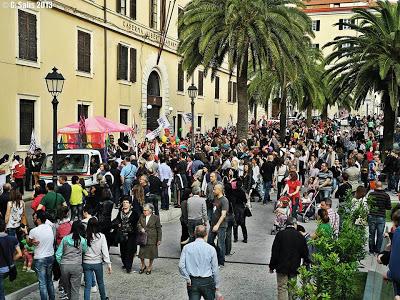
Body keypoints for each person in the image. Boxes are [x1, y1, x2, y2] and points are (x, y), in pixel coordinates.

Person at [269, 217, 310, 300]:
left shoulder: (280, 234)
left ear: (286, 224)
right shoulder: (300, 236)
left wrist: (271, 266)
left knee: (282, 288)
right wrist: (306, 262)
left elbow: (275, 252)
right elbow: (305, 252)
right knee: (292, 288)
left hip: (281, 266)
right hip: (294, 267)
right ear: (295, 225)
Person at [179, 225, 222, 300]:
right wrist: (217, 287)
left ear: (194, 233)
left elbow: (181, 266)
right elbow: (215, 270)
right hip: (207, 281)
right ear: (206, 234)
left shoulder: (186, 247)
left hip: (193, 281)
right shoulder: (211, 249)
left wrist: (187, 278)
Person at [56, 221, 87, 300]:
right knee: (75, 290)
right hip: (76, 266)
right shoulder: (83, 240)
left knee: (68, 289)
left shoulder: (65, 239)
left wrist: (61, 264)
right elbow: (84, 250)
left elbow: (58, 254)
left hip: (64, 266)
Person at [28, 210, 56, 300]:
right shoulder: (50, 227)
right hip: (50, 256)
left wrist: (29, 239)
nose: (33, 219)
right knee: (49, 281)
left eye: (35, 218)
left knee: (42, 283)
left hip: (40, 258)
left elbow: (28, 244)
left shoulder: (33, 231)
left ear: (39, 219)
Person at [83, 217, 112, 300]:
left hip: (86, 262)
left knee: (87, 286)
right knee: (100, 283)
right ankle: (103, 298)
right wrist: (109, 264)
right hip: (97, 262)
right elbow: (105, 251)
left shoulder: (85, 236)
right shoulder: (101, 236)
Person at [113, 195, 140, 273]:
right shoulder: (120, 213)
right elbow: (116, 220)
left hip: (131, 236)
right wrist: (117, 224)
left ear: (130, 204)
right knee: (123, 251)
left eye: (127, 202)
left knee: (130, 252)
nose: (125, 204)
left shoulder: (134, 213)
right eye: (124, 202)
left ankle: (129, 267)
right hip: (122, 235)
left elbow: (137, 224)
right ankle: (125, 264)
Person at [0, 218, 22, 300]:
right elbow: (20, 254)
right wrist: (11, 260)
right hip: (9, 268)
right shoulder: (13, 239)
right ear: (5, 227)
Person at [368, 181, 392, 254]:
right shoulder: (386, 195)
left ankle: (371, 249)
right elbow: (389, 207)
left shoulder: (371, 194)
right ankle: (378, 249)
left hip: (372, 215)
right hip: (381, 216)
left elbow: (368, 204)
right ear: (382, 186)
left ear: (375, 186)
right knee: (380, 234)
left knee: (371, 234)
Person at [207, 184, 228, 266]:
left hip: (221, 226)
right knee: (209, 242)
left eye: (215, 189)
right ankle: (216, 255)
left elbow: (223, 215)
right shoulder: (215, 199)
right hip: (213, 224)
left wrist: (217, 225)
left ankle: (221, 262)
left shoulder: (224, 200)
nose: (213, 190)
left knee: (221, 244)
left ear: (219, 190)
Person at [138, 203, 162, 274]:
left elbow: (159, 229)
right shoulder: (141, 216)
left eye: (146, 210)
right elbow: (138, 224)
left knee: (151, 254)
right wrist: (141, 228)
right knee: (141, 253)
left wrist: (159, 239)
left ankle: (150, 266)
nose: (144, 212)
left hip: (152, 238)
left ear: (150, 210)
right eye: (143, 210)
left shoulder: (156, 218)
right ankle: (143, 265)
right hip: (143, 237)